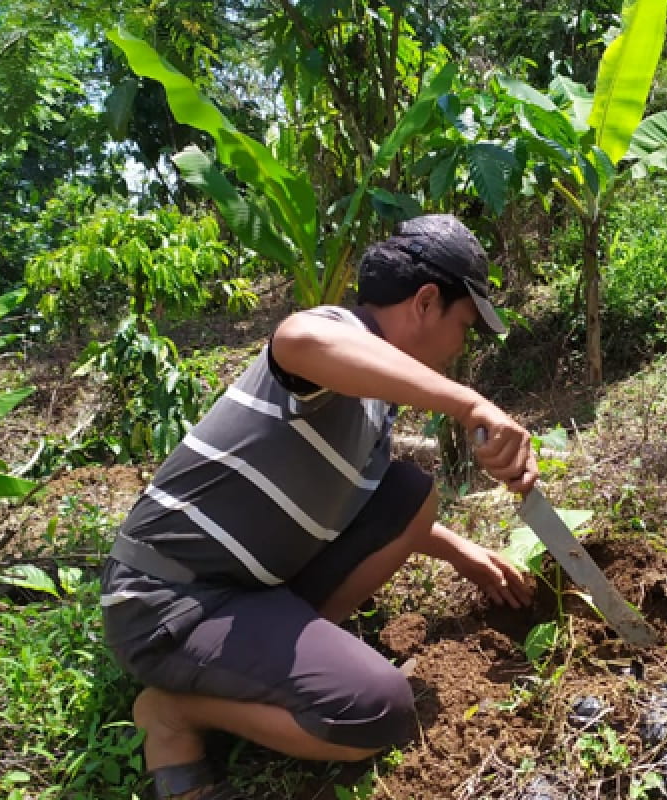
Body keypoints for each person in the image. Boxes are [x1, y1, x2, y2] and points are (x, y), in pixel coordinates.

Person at [100, 214, 539, 800]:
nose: (461, 346)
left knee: (410, 494)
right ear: (427, 300)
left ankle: (284, 669)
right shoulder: (334, 332)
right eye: (464, 325)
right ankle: (174, 713)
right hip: (168, 601)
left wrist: (459, 551)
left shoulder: (375, 404)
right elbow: (299, 341)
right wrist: (471, 405)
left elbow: (366, 503)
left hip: (248, 591)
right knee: (378, 710)